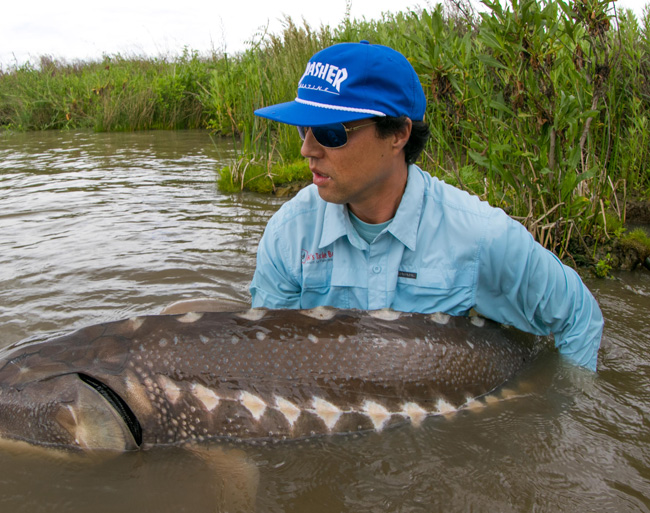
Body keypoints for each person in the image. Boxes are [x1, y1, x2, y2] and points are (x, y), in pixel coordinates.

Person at [249, 40, 603, 371]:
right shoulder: (289, 235)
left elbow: (578, 316)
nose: (307, 150)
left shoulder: (482, 236)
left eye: (330, 133)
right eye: (304, 130)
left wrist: (561, 415)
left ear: (398, 134)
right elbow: (267, 353)